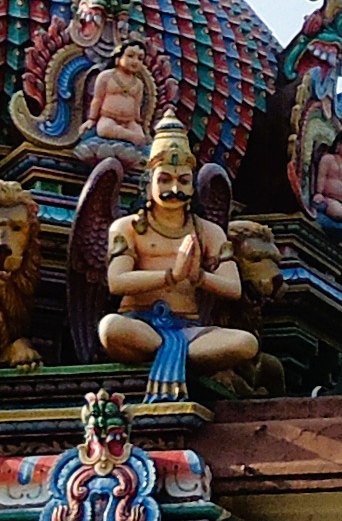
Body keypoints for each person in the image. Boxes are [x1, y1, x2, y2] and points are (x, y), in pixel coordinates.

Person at [99, 117, 260, 394]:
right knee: (110, 327)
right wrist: (170, 276)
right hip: (139, 326)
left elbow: (233, 288)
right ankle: (174, 355)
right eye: (164, 179)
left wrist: (197, 276)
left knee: (246, 344)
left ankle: (172, 353)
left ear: (193, 185)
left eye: (183, 180)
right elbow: (117, 281)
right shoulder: (128, 227)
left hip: (190, 331)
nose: (174, 189)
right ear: (149, 182)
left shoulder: (207, 231)